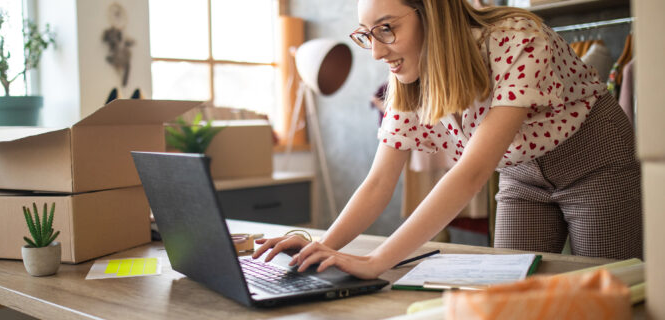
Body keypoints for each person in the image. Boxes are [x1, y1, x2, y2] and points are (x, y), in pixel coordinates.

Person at [253, 0, 642, 279]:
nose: (375, 52)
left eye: (387, 29)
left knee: (608, 289)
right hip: (522, 175)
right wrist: (324, 246)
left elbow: (472, 173)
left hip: (595, 163)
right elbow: (378, 182)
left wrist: (377, 261)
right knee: (504, 293)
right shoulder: (408, 79)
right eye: (367, 35)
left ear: (432, 12)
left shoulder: (518, 39)